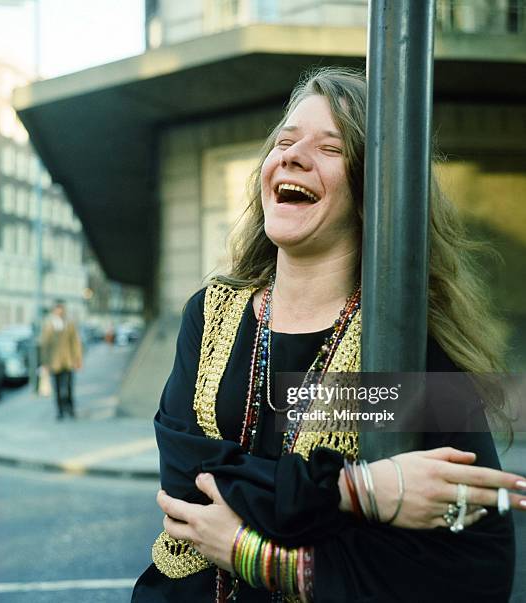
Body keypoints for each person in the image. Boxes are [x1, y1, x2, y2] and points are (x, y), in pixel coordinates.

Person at [131, 67, 525, 602]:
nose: (290, 156)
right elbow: (189, 483)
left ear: (373, 191)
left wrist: (255, 554)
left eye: (330, 148)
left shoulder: (402, 347)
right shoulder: (211, 315)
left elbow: (474, 568)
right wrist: (357, 491)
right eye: (285, 142)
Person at [40, 300, 82, 420]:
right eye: (58, 309)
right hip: (54, 362)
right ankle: (60, 411)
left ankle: (70, 409)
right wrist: (45, 363)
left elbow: (75, 342)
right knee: (57, 388)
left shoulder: (69, 323)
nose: (60, 311)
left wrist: (78, 359)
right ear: (54, 310)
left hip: (68, 361)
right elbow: (44, 345)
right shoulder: (48, 325)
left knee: (69, 387)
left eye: (61, 309)